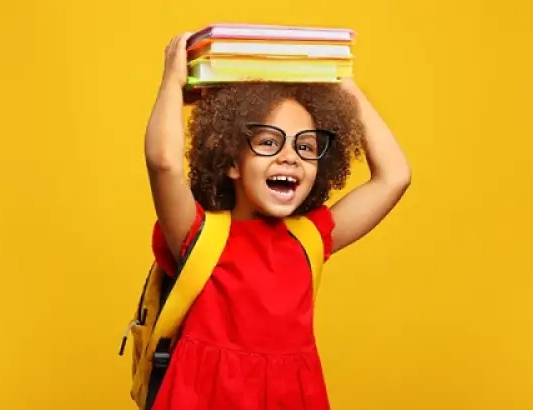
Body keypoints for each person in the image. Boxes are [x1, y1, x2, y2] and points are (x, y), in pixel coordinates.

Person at [141, 30, 413, 410]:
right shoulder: (198, 233)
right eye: (268, 142)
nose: (290, 157)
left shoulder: (310, 237)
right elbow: (164, 163)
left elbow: (395, 176)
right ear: (232, 162)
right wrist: (171, 82)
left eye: (306, 146)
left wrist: (343, 84)